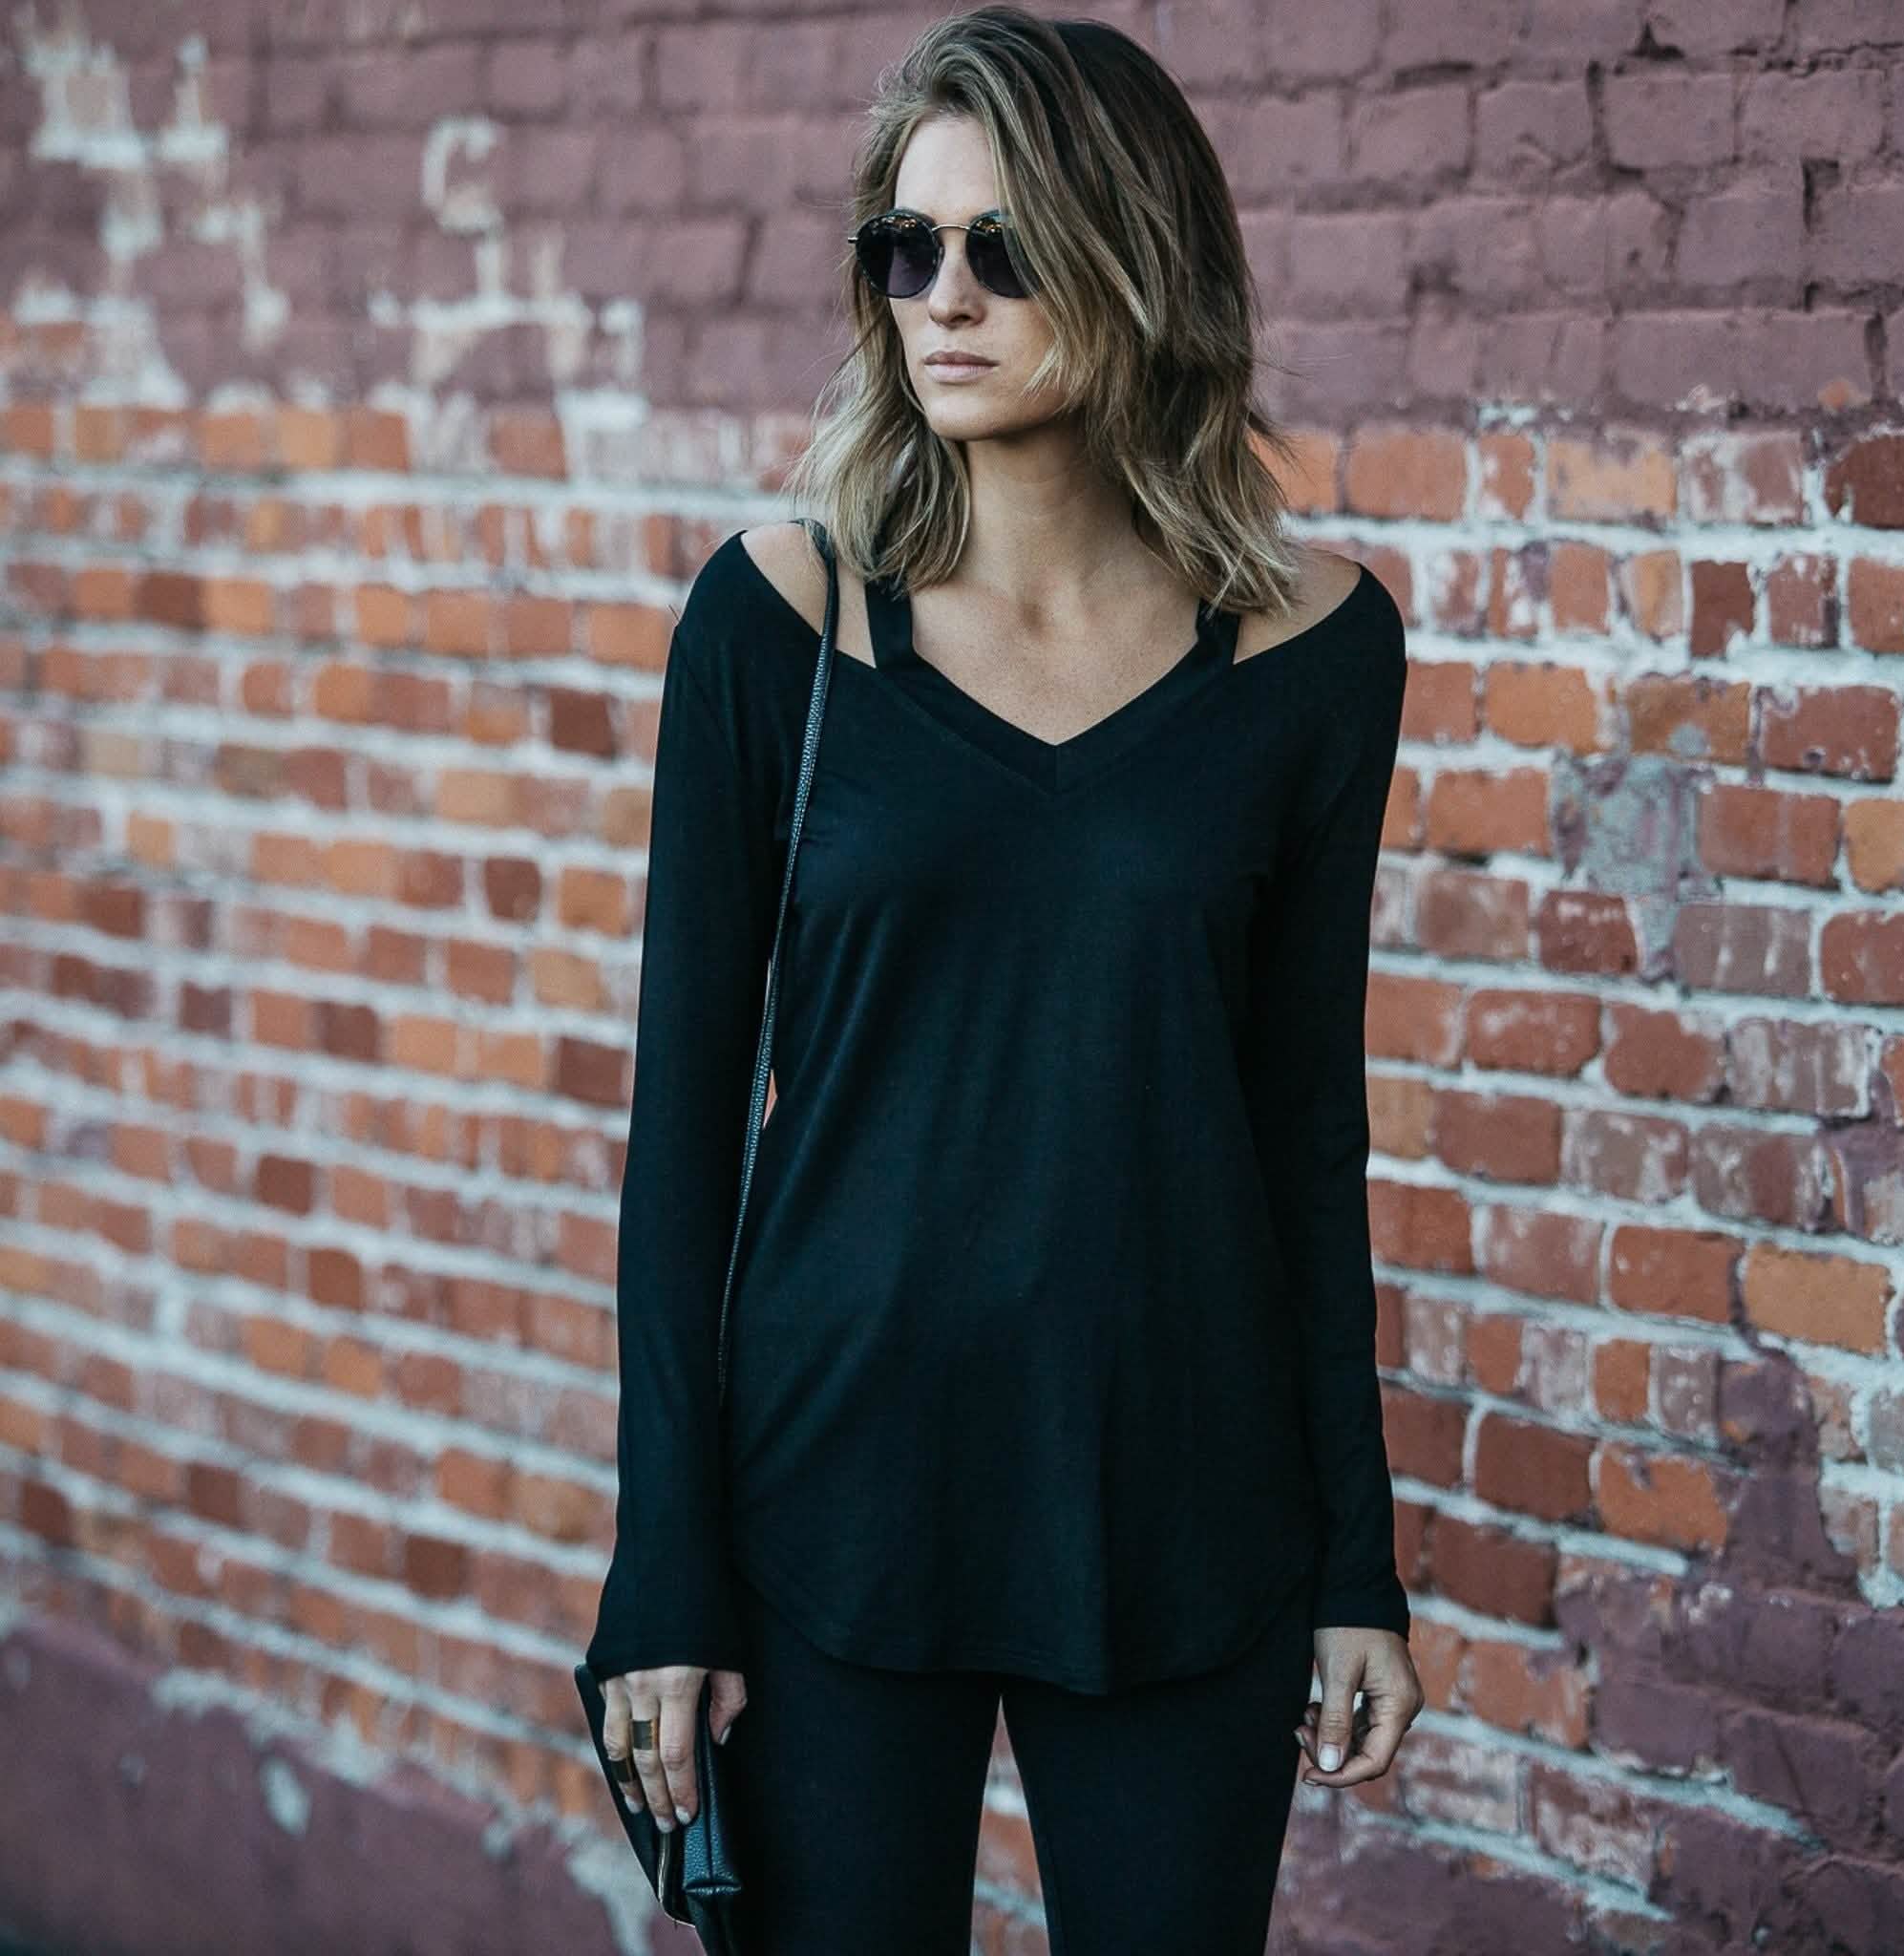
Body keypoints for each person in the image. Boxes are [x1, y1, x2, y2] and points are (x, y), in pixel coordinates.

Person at [582, 8, 1424, 1949]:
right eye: (903, 245)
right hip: (831, 1512)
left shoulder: (1312, 652)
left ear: (1134, 262)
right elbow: (682, 1136)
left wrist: (1351, 1562)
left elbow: (1305, 1121)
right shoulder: (775, 621)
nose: (936, 299)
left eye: (1002, 249)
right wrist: (664, 1570)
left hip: (1181, 1510)